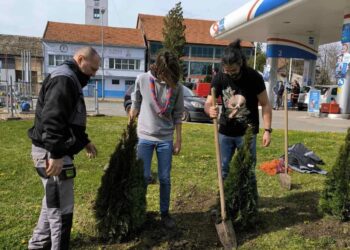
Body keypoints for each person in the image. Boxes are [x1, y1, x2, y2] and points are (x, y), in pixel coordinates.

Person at [28, 47, 100, 250]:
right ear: (80, 59)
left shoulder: (70, 78)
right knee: (61, 211)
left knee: (51, 204)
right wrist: (56, 154)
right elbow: (53, 119)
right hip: (52, 154)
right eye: (92, 68)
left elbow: (69, 118)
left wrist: (84, 141)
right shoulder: (65, 79)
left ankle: (37, 245)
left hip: (52, 151)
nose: (93, 74)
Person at [129, 50, 184, 229]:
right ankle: (139, 211)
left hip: (165, 139)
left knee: (165, 178)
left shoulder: (177, 87)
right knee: (142, 176)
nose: (171, 80)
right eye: (169, 76)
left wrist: (178, 140)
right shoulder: (143, 79)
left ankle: (165, 213)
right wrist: (133, 109)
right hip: (144, 136)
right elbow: (135, 97)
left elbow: (177, 115)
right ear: (160, 71)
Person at [204, 39, 272, 180]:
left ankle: (248, 198)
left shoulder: (254, 77)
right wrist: (209, 110)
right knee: (223, 169)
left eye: (233, 70)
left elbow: (265, 104)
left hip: (247, 133)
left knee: (248, 170)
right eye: (227, 70)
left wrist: (267, 130)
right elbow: (208, 102)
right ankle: (224, 199)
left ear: (241, 63)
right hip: (225, 132)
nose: (230, 74)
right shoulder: (219, 78)